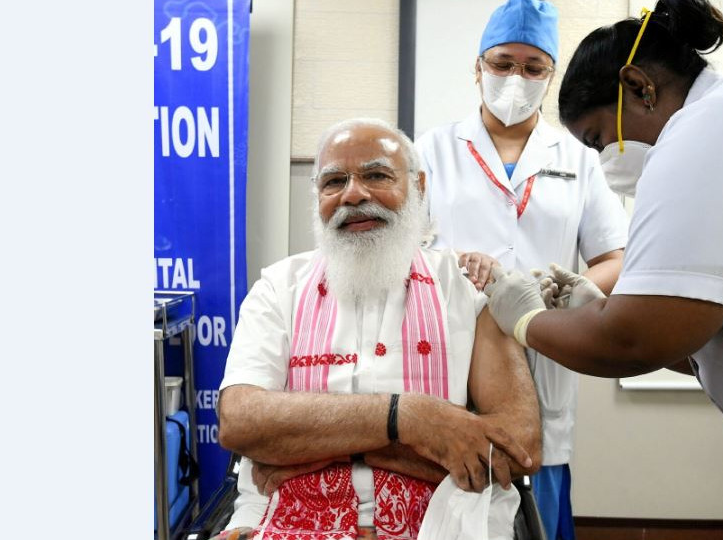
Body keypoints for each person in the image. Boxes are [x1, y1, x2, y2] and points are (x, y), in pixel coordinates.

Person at [483, 0, 723, 538]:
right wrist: (600, 311)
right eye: (500, 64)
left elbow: (634, 341)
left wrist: (524, 317)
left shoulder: (712, 128)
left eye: (598, 139)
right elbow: (697, 335)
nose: (603, 159)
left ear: (639, 87)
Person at [212, 118, 542, 540]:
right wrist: (411, 419)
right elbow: (240, 422)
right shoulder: (279, 287)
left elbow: (519, 447)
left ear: (418, 186)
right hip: (290, 522)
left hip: (439, 524)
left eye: (376, 175)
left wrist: (318, 444)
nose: (353, 193)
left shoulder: (466, 288)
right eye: (334, 181)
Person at [414, 1, 629, 538]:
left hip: (545, 350)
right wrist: (453, 269)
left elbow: (614, 257)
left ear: (550, 75)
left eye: (534, 68)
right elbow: (403, 252)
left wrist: (562, 292)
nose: (517, 78)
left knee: (538, 497)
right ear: (479, 66)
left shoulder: (578, 157)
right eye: (503, 63)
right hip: (451, 351)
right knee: (449, 500)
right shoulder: (432, 151)